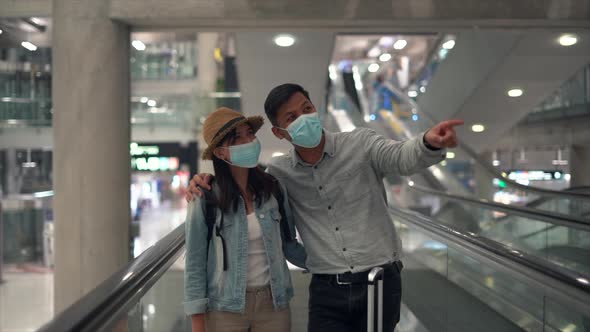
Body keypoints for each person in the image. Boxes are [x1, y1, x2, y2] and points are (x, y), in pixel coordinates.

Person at [186, 84, 463, 332]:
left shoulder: (360, 145)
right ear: (279, 132)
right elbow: (205, 256)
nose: (303, 119)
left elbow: (401, 157)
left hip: (377, 280)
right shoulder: (280, 174)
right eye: (292, 118)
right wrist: (203, 180)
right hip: (326, 290)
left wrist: (428, 143)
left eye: (306, 109)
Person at [183, 107, 306, 332]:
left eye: (250, 133)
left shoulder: (273, 189)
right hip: (225, 308)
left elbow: (289, 245)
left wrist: (330, 261)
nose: (249, 141)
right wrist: (197, 323)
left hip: (274, 303)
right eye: (237, 138)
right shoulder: (206, 196)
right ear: (220, 153)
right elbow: (195, 262)